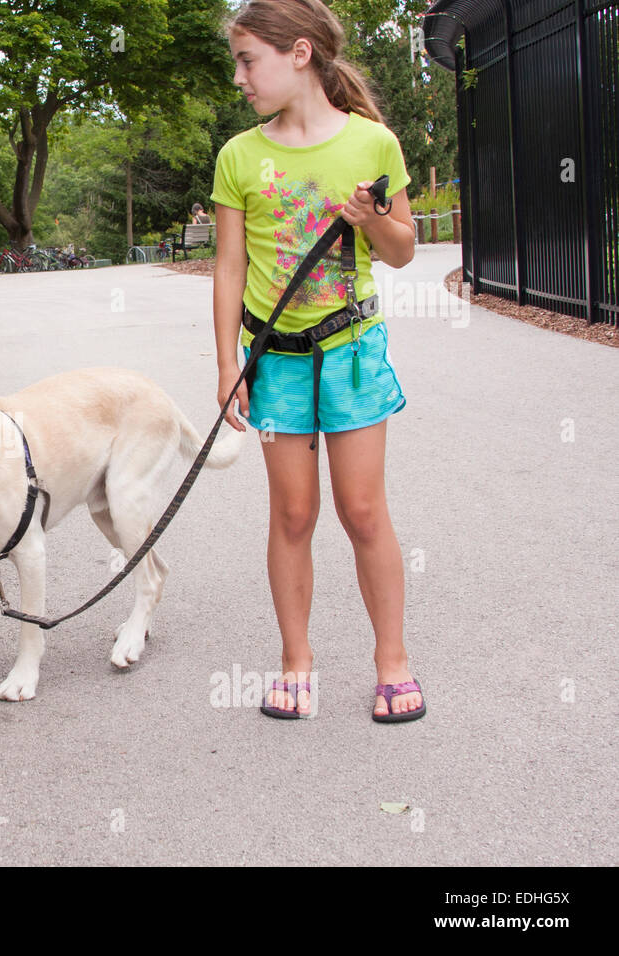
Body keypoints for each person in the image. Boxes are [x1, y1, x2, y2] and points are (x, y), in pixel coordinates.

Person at [210, 0, 424, 722]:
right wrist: (224, 365)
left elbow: (402, 251)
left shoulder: (373, 145)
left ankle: (391, 658)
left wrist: (373, 223)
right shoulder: (239, 156)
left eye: (248, 60)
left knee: (363, 512)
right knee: (293, 513)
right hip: (276, 360)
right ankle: (296, 659)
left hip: (353, 353)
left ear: (298, 54)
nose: (239, 77)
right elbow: (229, 266)